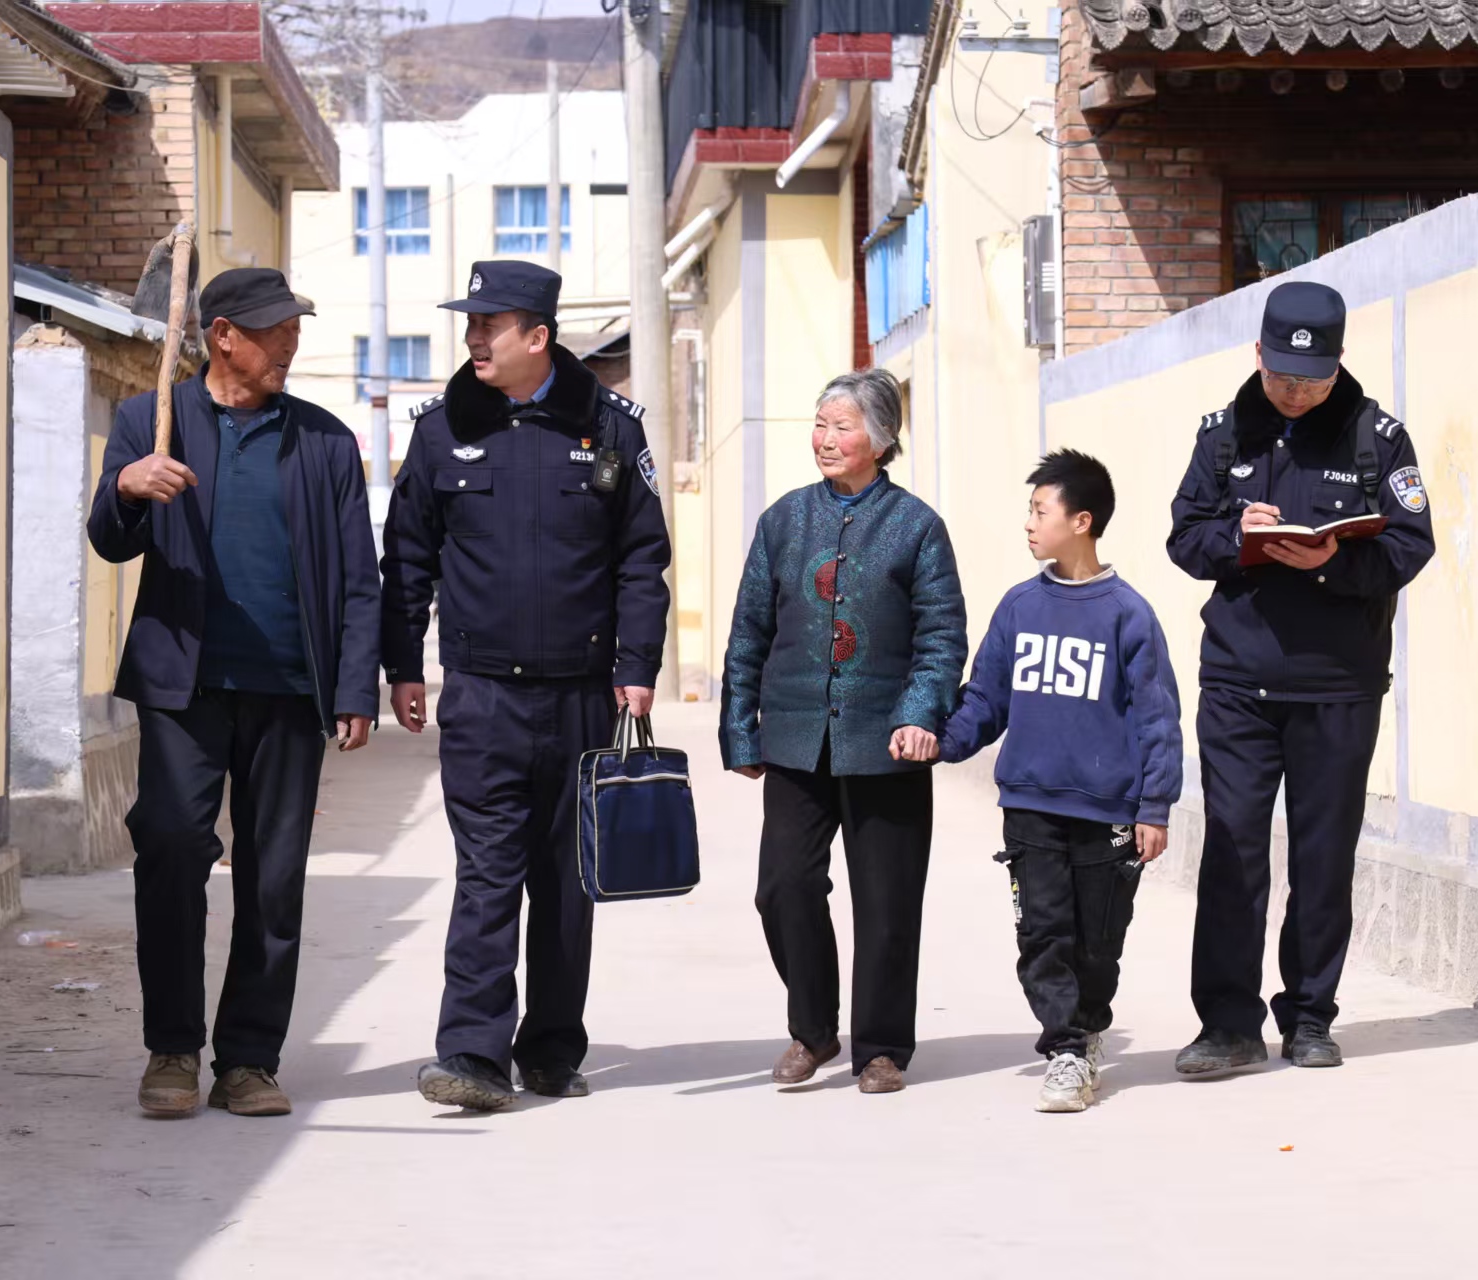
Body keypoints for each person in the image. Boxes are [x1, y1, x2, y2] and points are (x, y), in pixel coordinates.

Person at [87, 266, 381, 1119]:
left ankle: (249, 1059)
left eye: (294, 327)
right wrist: (127, 487)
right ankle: (173, 1049)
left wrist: (354, 685)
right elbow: (109, 539)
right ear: (223, 336)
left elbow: (357, 577)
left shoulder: (324, 443)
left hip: (290, 688)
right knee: (172, 848)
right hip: (183, 685)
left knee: (274, 876)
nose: (292, 342)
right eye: (275, 329)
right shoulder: (154, 421)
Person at [381, 260, 671, 1112]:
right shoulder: (442, 432)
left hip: (584, 695)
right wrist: (404, 666)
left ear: (537, 337)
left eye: (490, 324)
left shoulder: (609, 428)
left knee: (567, 883)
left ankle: (549, 1049)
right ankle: (471, 1053)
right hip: (482, 697)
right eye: (470, 324)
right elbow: (408, 557)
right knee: (487, 875)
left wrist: (637, 668)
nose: (473, 338)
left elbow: (641, 558)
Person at [1167, 281, 1435, 1075]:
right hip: (1237, 684)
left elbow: (1410, 546)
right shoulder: (1223, 435)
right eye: (1282, 376)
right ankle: (1227, 1026)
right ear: (1259, 353)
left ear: (1339, 362)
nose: (1294, 392)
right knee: (1232, 854)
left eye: (1311, 381)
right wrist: (1234, 534)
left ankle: (1311, 1016)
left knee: (1323, 859)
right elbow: (1184, 537)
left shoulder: (1377, 439)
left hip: (1338, 687)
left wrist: (1331, 560)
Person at [719, 369, 968, 1096]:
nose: (826, 439)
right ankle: (813, 1028)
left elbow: (941, 636)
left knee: (887, 904)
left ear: (881, 440)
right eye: (821, 424)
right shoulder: (784, 521)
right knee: (782, 888)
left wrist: (920, 713)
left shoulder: (917, 527)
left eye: (843, 427)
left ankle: (882, 1049)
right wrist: (741, 730)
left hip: (884, 743)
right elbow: (750, 630)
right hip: (796, 739)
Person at [939, 450, 1183, 1113]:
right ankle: (1066, 1050)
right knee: (1043, 936)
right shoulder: (1019, 606)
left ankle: (1088, 1028)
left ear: (1082, 521)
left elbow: (1157, 718)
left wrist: (1154, 806)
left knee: (1097, 944)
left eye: (1039, 511)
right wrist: (941, 741)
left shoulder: (1128, 614)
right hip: (1030, 804)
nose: (1028, 523)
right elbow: (985, 698)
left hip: (1107, 810)